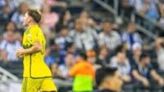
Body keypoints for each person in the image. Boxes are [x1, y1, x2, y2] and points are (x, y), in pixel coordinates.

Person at [16, 9, 57, 92]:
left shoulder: (32, 30)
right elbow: (35, 49)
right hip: (44, 72)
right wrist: (24, 53)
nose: (23, 18)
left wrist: (22, 51)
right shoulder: (36, 31)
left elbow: (38, 47)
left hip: (32, 73)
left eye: (25, 16)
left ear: (30, 19)